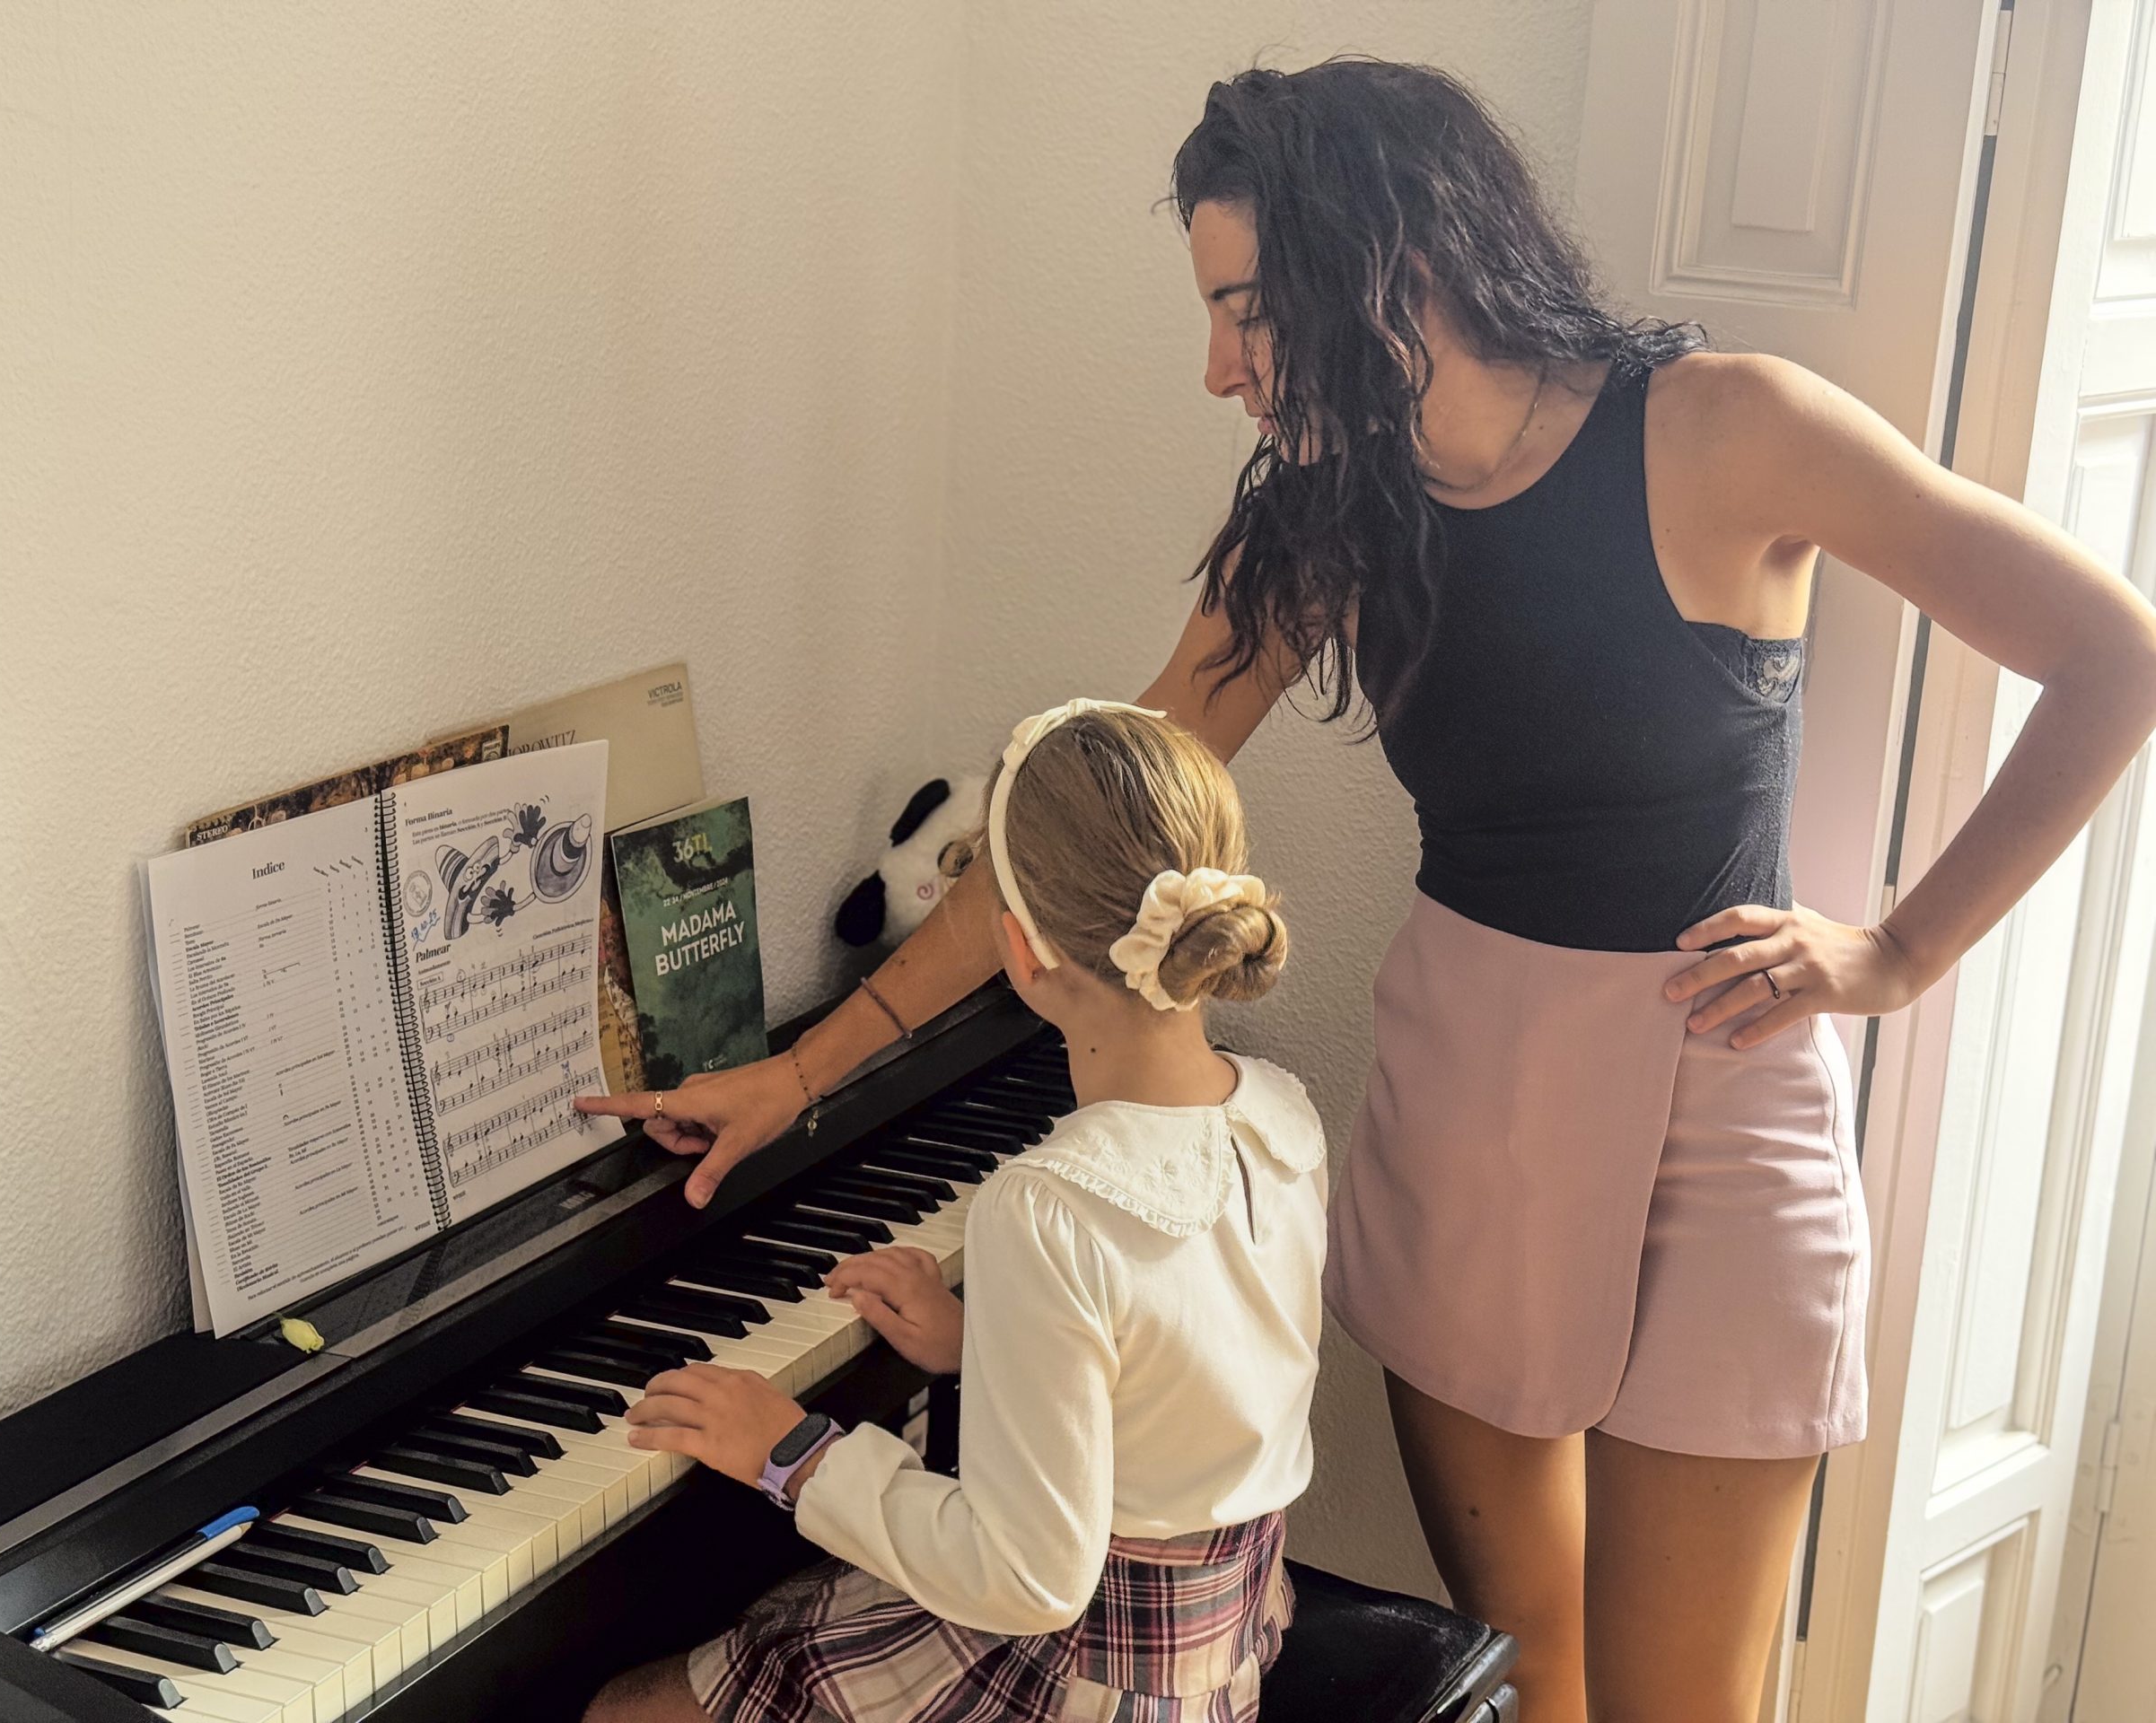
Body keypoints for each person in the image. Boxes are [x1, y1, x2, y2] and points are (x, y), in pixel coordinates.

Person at [578, 59, 2156, 1723]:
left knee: (1692, 1706)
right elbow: (1067, 825)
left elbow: (2112, 656)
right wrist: (806, 1073)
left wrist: (1900, 951)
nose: (1217, 372)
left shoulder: (1730, 429)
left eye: (1246, 313)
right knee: (1528, 1686)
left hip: (1726, 1093)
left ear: (1390, 257)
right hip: (1477, 1093)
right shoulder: (1328, 519)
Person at [580, 701, 1328, 1723]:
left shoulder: (1047, 1208)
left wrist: (789, 1450)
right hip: (1211, 1655)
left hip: (1069, 1677)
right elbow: (1186, 1375)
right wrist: (985, 1344)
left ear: (1015, 953)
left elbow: (1027, 1581)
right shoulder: (1281, 1116)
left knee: (627, 1710)